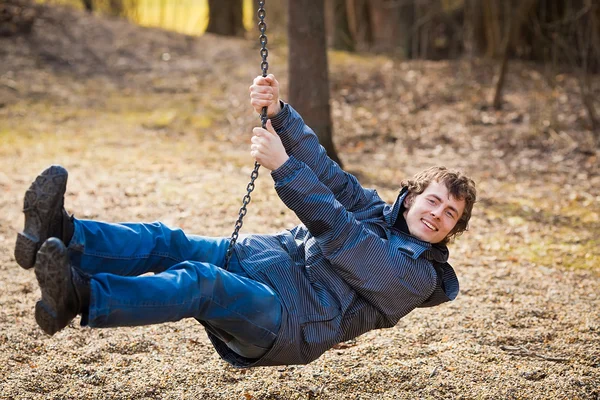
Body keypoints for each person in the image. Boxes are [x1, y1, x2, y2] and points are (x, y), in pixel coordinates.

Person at [15, 74, 476, 368]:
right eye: (433, 201)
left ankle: (81, 297)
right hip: (262, 261)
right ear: (411, 197)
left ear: (453, 230)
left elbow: (340, 234)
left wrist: (282, 167)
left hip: (287, 320)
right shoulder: (376, 209)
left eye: (449, 214)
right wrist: (281, 114)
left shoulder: (418, 276)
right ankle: (59, 233)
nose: (437, 214)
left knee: (202, 284)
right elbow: (330, 175)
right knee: (166, 240)